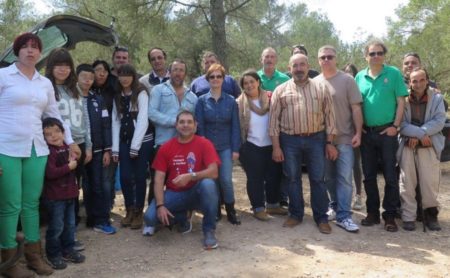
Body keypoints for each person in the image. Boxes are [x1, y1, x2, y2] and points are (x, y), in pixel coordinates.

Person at [0, 33, 79, 277]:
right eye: (25, 47)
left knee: (31, 204)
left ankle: (34, 257)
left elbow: (53, 115)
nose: (30, 51)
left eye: (35, 47)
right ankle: (9, 261)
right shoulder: (3, 76)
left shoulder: (44, 83)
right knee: (10, 205)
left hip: (37, 149)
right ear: (17, 51)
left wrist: (71, 143)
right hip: (7, 148)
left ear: (40, 53)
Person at [269, 53, 336, 234]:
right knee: (292, 178)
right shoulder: (280, 90)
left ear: (308, 66)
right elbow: (273, 121)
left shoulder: (321, 88)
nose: (298, 69)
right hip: (289, 140)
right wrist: (276, 147)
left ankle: (321, 217)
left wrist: (329, 142)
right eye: (295, 66)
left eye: (302, 65)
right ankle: (296, 214)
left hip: (316, 138)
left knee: (318, 179)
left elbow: (330, 117)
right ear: (289, 68)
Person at [143, 110, 221, 250]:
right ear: (176, 125)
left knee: (208, 184)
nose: (186, 125)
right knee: (150, 217)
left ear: (195, 126)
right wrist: (160, 205)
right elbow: (158, 180)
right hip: (175, 194)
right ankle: (182, 218)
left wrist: (191, 176)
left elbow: (214, 172)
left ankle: (209, 230)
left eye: (189, 122)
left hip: (197, 192)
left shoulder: (204, 143)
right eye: (182, 122)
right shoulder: (166, 147)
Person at [355, 39, 408, 232]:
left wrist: (396, 126)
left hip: (388, 133)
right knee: (368, 176)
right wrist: (358, 126)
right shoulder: (359, 77)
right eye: (372, 53)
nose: (376, 56)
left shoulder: (393, 74)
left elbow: (401, 101)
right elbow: (356, 105)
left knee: (390, 176)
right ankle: (372, 213)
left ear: (384, 55)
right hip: (367, 133)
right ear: (366, 56)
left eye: (379, 53)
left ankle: (390, 215)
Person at [144, 59, 197, 235]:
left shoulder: (192, 96)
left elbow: (193, 122)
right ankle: (153, 220)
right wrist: (174, 123)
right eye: (175, 70)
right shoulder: (159, 90)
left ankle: (182, 216)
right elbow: (151, 113)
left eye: (181, 70)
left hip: (185, 147)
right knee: (157, 180)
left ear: (185, 73)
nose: (178, 73)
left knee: (182, 183)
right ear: (169, 72)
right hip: (163, 144)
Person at [315, 46, 363, 233]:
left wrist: (358, 133)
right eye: (322, 57)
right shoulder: (314, 82)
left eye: (330, 57)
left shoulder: (347, 80)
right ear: (318, 61)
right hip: (321, 139)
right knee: (328, 178)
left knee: (344, 178)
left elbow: (356, 109)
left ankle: (344, 215)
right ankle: (334, 207)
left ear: (336, 58)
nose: (326, 60)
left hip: (344, 138)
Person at [45, 48, 93, 229]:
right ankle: (58, 230)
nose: (63, 69)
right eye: (58, 65)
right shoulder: (47, 88)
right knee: (58, 190)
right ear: (51, 67)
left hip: (78, 144)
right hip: (58, 147)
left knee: (74, 187)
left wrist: (88, 145)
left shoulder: (75, 89)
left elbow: (85, 118)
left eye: (66, 66)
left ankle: (70, 231)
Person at [397, 67, 445, 231]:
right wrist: (417, 135)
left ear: (427, 80)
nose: (418, 84)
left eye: (421, 80)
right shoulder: (403, 98)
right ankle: (408, 217)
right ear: (409, 82)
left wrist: (421, 135)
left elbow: (439, 121)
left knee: (429, 182)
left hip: (428, 143)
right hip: (408, 143)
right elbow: (401, 124)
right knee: (407, 181)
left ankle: (431, 216)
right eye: (414, 81)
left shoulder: (437, 98)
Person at [237, 69, 286, 221]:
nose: (249, 85)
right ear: (243, 87)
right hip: (251, 145)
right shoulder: (239, 103)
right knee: (255, 178)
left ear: (258, 82)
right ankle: (258, 208)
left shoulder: (271, 98)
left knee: (274, 176)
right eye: (246, 83)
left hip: (272, 144)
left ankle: (272, 205)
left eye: (252, 81)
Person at [195, 63, 241, 225]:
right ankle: (214, 210)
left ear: (223, 79)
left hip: (226, 147)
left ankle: (231, 210)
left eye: (218, 76)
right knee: (212, 181)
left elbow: (236, 126)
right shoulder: (201, 101)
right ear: (208, 79)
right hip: (208, 148)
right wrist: (203, 149)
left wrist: (236, 149)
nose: (215, 79)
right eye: (212, 77)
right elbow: (199, 127)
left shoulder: (231, 101)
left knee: (226, 180)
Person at [112, 64, 153, 230]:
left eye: (128, 75)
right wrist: (115, 148)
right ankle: (129, 208)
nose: (124, 78)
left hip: (142, 142)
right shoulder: (117, 95)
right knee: (125, 177)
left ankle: (138, 211)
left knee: (139, 176)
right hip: (124, 140)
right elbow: (116, 121)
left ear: (133, 76)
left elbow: (143, 120)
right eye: (121, 74)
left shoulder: (141, 92)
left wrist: (135, 147)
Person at [42, 118, 86, 270]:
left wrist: (74, 158)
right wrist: (69, 166)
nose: (53, 136)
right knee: (57, 226)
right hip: (55, 197)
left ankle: (68, 249)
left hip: (69, 194)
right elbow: (50, 173)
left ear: (63, 132)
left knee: (70, 225)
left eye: (57, 132)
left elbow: (74, 163)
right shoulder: (49, 151)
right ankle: (53, 254)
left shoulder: (67, 147)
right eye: (48, 134)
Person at [77, 64, 115, 234]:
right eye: (84, 76)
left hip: (99, 150)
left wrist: (107, 149)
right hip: (77, 149)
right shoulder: (72, 98)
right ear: (76, 77)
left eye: (90, 78)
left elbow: (106, 125)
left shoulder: (97, 99)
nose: (87, 80)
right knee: (81, 185)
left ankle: (100, 219)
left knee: (97, 185)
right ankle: (82, 219)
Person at [257, 47, 290, 208]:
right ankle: (264, 197)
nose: (269, 59)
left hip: (281, 127)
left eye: (272, 56)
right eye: (266, 56)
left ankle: (282, 197)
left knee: (280, 163)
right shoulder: (254, 78)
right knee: (263, 165)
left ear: (276, 60)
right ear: (261, 59)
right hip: (260, 127)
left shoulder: (284, 78)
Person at [91, 60, 118, 211]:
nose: (101, 73)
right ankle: (95, 206)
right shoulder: (86, 90)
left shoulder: (113, 90)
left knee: (108, 176)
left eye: (105, 71)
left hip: (110, 138)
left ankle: (107, 205)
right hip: (92, 140)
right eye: (98, 70)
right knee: (93, 177)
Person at [342, 63, 363, 211]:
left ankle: (358, 196)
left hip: (356, 131)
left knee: (356, 164)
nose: (348, 74)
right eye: (346, 72)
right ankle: (343, 199)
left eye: (351, 72)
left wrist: (361, 130)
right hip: (342, 132)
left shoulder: (359, 89)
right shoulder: (341, 88)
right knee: (343, 168)